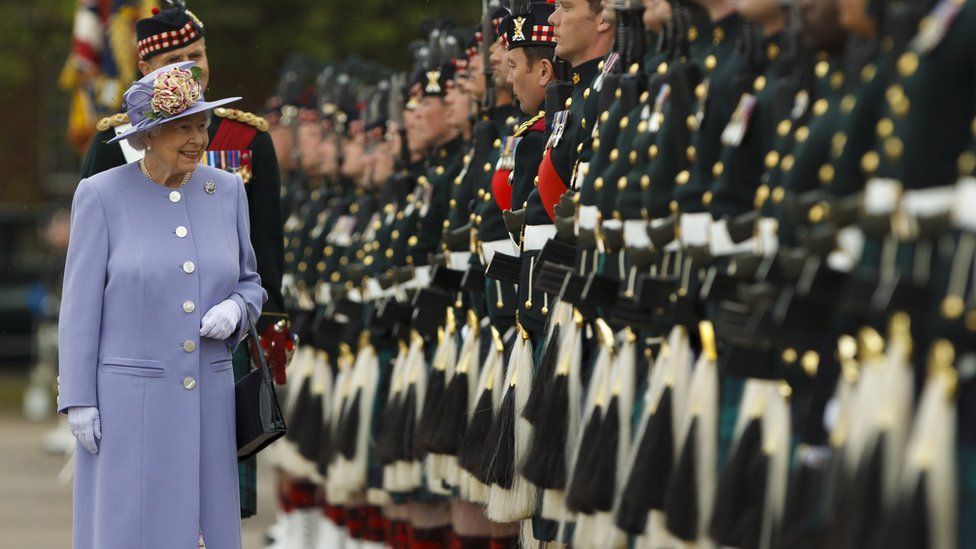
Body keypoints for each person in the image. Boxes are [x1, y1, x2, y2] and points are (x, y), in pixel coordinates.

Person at [79, 5, 284, 519]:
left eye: (197, 55)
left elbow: (262, 259)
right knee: (136, 512)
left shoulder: (242, 149)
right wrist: (78, 390)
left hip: (218, 357)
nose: (190, 67)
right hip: (135, 374)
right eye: (175, 59)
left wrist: (253, 315)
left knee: (214, 510)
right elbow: (83, 291)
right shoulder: (105, 173)